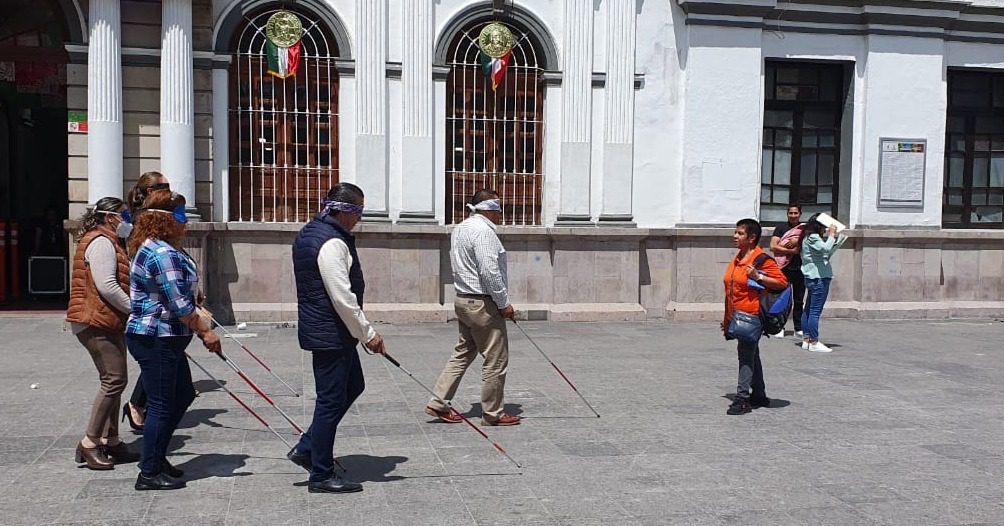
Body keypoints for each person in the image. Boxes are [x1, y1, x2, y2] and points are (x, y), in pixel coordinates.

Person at [286, 183, 384, 494]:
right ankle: (321, 473)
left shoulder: (313, 232)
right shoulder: (331, 242)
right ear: (344, 211)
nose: (359, 221)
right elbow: (342, 296)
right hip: (331, 332)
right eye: (358, 213)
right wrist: (368, 333)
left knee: (353, 385)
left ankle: (307, 446)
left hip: (330, 330)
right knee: (329, 402)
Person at [125, 190, 221, 490]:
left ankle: (156, 456)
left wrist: (196, 298)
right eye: (181, 217)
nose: (186, 223)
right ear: (164, 220)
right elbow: (179, 305)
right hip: (157, 336)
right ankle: (149, 472)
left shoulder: (164, 248)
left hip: (168, 336)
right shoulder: (161, 253)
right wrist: (206, 330)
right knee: (163, 403)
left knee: (182, 395)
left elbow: (179, 291)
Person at [426, 189, 520, 427]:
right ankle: (493, 413)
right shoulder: (483, 232)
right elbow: (489, 271)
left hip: (463, 299)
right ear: (489, 209)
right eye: (499, 210)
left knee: (463, 352)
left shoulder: (461, 228)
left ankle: (438, 402)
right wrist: (503, 303)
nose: (501, 215)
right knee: (496, 359)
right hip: (482, 303)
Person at [66, 197, 140, 469]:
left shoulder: (109, 241)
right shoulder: (100, 243)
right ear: (110, 218)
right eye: (125, 215)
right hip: (94, 320)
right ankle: (89, 442)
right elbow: (107, 285)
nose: (128, 220)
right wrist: (135, 309)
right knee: (114, 380)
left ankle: (112, 441)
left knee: (116, 379)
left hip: (106, 320)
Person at [121, 171, 172, 432]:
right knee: (159, 359)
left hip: (155, 306)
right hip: (151, 307)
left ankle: (143, 403)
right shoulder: (145, 219)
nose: (169, 190)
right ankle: (138, 403)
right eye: (164, 186)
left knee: (164, 361)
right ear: (151, 191)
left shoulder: (151, 216)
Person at [722, 218, 788, 415]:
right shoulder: (738, 258)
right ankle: (759, 394)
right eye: (736, 232)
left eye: (740, 233)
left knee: (745, 355)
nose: (735, 236)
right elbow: (731, 289)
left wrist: (758, 277)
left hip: (752, 316)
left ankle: (742, 398)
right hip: (738, 315)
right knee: (752, 354)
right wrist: (727, 317)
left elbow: (782, 282)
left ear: (752, 238)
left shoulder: (761, 260)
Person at [799, 214, 848, 353]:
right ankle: (813, 341)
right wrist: (832, 235)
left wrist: (835, 240)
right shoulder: (813, 237)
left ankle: (807, 339)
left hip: (812, 276)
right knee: (814, 311)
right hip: (818, 277)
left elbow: (825, 253)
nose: (825, 230)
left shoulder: (807, 238)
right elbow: (826, 249)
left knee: (808, 309)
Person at [769, 204, 806, 338]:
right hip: (783, 269)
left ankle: (798, 328)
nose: (793, 215)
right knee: (781, 299)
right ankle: (779, 327)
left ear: (800, 214)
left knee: (799, 300)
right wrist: (791, 251)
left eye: (796, 213)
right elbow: (773, 246)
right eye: (791, 213)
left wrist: (798, 240)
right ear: (787, 214)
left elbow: (810, 243)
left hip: (800, 269)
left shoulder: (804, 230)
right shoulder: (780, 228)